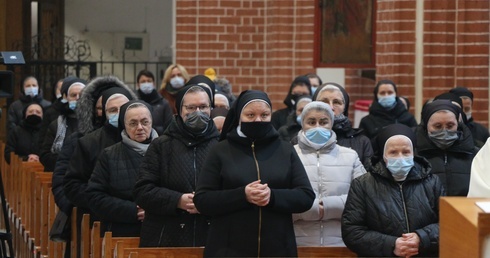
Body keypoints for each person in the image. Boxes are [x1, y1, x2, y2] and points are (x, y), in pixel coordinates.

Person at [194, 90, 315, 257]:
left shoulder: (285, 150)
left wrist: (272, 196)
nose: (258, 120)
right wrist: (242, 195)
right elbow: (202, 199)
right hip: (228, 248)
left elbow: (306, 196)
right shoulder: (220, 150)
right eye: (250, 115)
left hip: (277, 248)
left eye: (264, 115)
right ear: (239, 117)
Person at [51, 76, 135, 258]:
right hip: (91, 219)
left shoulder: (143, 138)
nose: (118, 114)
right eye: (111, 109)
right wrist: (88, 205)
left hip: (134, 221)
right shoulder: (82, 141)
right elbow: (65, 181)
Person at [134, 84, 219, 247]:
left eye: (203, 106)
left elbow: (231, 191)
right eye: (191, 107)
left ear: (211, 108)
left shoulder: (222, 146)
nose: (198, 112)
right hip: (167, 237)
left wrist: (208, 202)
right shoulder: (161, 145)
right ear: (180, 110)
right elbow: (142, 191)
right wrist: (178, 200)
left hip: (211, 237)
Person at [342, 124, 445, 257]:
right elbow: (352, 231)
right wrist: (392, 244)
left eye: (406, 152)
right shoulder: (362, 185)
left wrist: (422, 237)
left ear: (414, 153)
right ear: (383, 155)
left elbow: (448, 224)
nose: (400, 157)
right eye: (393, 152)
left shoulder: (432, 182)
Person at [292, 101, 365, 247]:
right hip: (299, 243)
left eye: (323, 122)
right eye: (311, 122)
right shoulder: (288, 155)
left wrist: (326, 207)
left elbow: (364, 199)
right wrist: (312, 209)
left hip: (342, 244)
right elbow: (280, 200)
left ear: (331, 124)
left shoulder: (350, 156)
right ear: (302, 124)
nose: (317, 126)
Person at [87, 100, 157, 237]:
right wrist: (133, 211)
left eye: (145, 122)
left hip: (160, 232)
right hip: (121, 232)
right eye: (133, 123)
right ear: (124, 126)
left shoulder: (166, 151)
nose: (140, 127)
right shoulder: (109, 155)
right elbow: (95, 197)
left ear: (152, 123)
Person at [415, 99, 477, 196]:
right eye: (437, 126)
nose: (444, 131)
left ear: (458, 124)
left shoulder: (474, 155)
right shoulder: (415, 156)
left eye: (450, 125)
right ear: (426, 126)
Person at [313, 83, 373, 163]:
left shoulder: (361, 142)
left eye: (336, 102)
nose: (330, 107)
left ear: (345, 108)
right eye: (324, 102)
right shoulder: (300, 139)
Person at [39, 77, 86, 172]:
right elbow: (44, 155)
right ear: (66, 97)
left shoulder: (95, 123)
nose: (77, 98)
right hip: (61, 174)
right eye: (73, 95)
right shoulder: (55, 125)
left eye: (81, 95)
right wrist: (67, 162)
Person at [135, 69, 173, 135]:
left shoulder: (163, 103)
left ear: (154, 84)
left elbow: (169, 126)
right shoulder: (134, 102)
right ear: (138, 84)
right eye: (143, 81)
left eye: (149, 81)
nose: (146, 84)